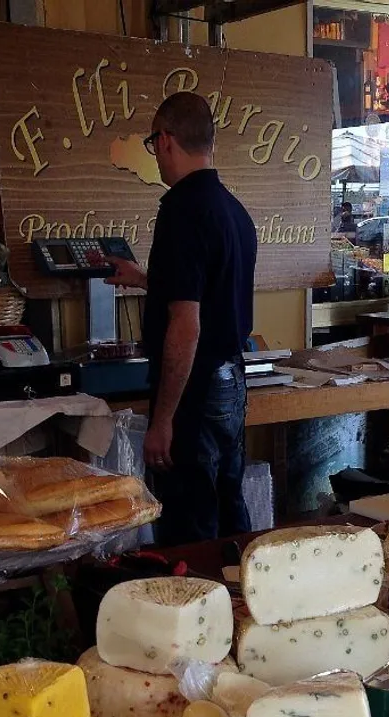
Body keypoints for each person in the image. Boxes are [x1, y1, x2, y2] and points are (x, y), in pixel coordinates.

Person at [106, 92, 257, 546]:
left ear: (166, 140)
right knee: (228, 503)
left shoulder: (181, 211)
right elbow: (207, 295)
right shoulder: (233, 210)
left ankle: (196, 607)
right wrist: (146, 279)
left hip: (196, 388)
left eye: (153, 145)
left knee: (191, 519)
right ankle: (239, 600)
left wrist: (163, 421)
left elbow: (187, 325)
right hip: (231, 377)